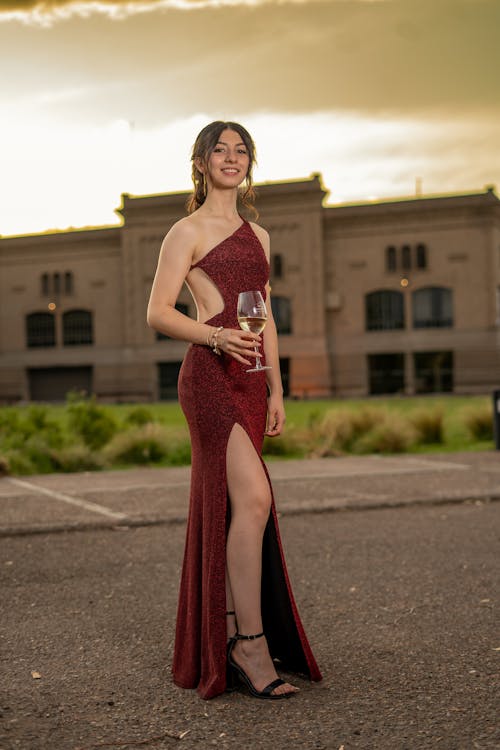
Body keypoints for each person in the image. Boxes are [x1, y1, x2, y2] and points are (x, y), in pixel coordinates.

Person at [147, 121, 322, 700]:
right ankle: (249, 644)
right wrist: (215, 339)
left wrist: (276, 387)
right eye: (218, 150)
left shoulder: (259, 236)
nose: (231, 157)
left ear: (251, 162)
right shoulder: (186, 231)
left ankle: (228, 634)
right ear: (200, 163)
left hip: (249, 382)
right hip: (210, 377)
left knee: (237, 506)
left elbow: (264, 315)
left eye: (240, 149)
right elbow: (158, 313)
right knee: (253, 499)